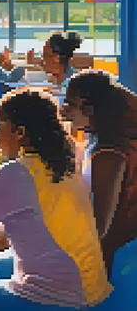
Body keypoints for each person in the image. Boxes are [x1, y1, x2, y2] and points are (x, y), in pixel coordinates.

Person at [0, 88, 112, 311]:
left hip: (61, 295)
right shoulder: (64, 163)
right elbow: (39, 216)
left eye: (0, 126)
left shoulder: (14, 173)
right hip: (87, 280)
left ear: (19, 132)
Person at [61, 70, 137, 276]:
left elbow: (98, 229)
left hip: (107, 265)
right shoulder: (111, 140)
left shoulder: (109, 154)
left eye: (69, 104)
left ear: (90, 109)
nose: (63, 111)